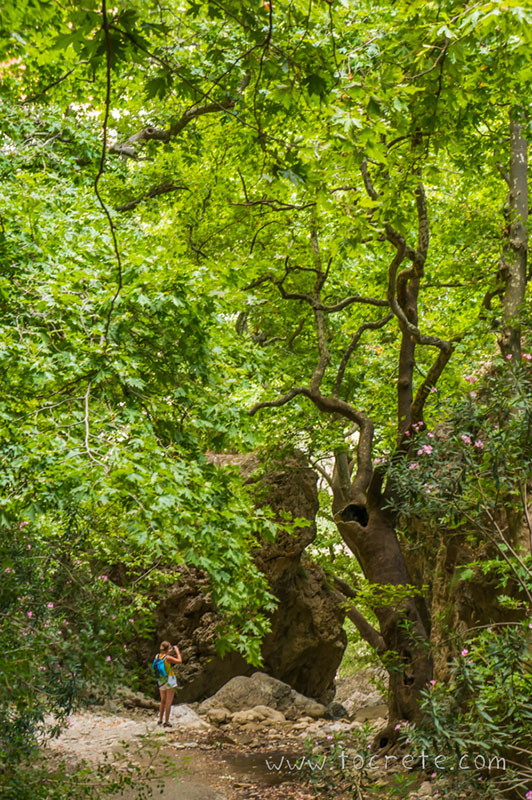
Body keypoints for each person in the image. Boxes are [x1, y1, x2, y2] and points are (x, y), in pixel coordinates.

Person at [154, 640, 182, 727]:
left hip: (161, 680)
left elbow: (165, 656)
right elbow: (179, 661)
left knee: (162, 701)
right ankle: (166, 721)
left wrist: (169, 651)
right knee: (168, 702)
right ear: (168, 648)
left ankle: (160, 720)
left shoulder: (158, 656)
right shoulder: (168, 658)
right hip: (170, 679)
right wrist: (177, 651)